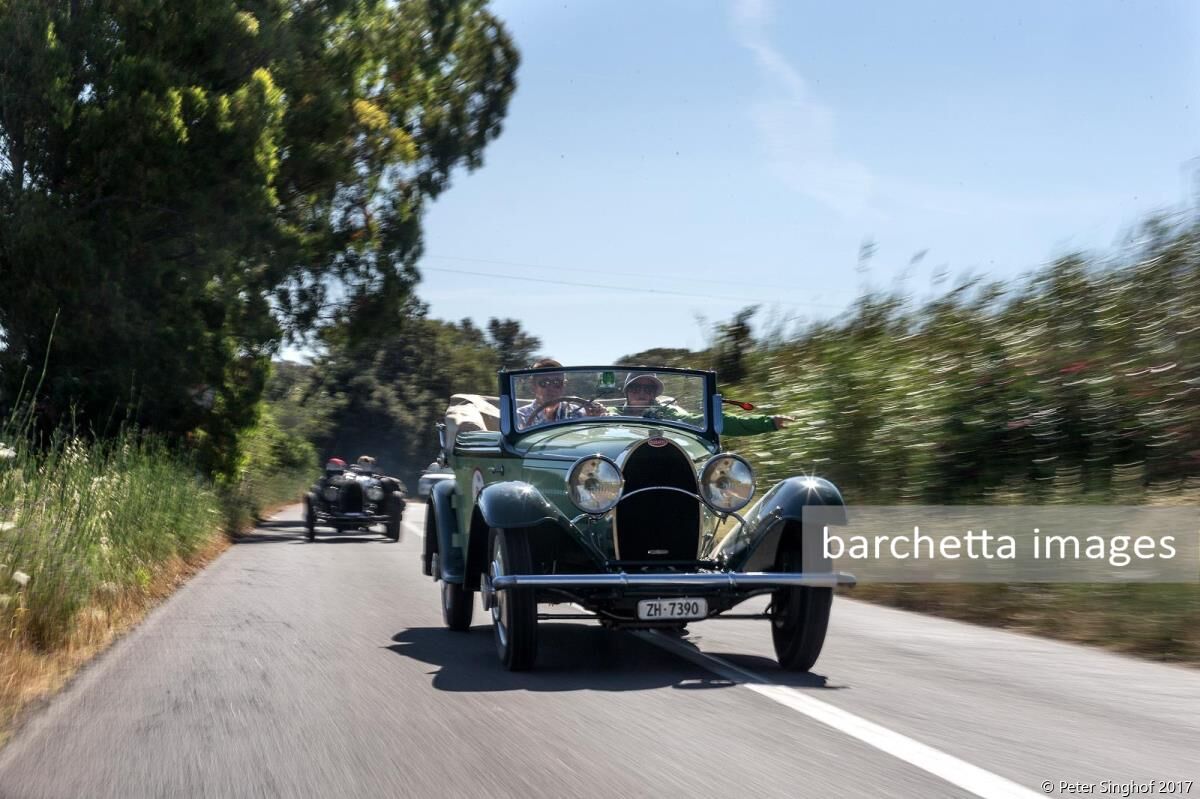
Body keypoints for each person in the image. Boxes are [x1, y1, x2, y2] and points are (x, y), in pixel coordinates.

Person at [613, 372, 791, 436]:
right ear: (627, 391)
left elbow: (708, 421)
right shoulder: (609, 413)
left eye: (649, 389)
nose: (642, 393)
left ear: (655, 394)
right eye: (636, 387)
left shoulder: (667, 414)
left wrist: (767, 422)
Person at [515, 358, 605, 430]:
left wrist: (595, 417)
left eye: (557, 383)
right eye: (544, 382)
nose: (551, 388)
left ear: (564, 386)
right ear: (533, 387)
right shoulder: (520, 417)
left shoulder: (578, 413)